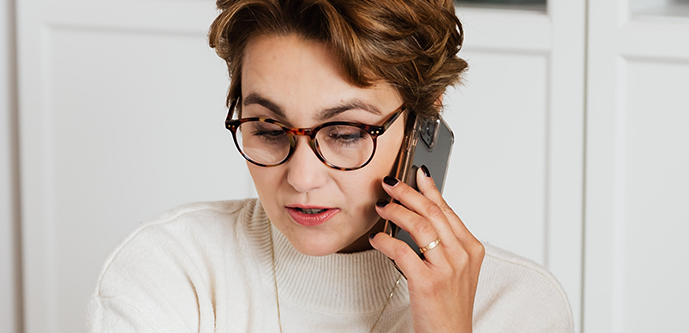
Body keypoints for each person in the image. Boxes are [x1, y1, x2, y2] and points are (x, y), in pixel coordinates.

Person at [87, 0, 573, 331]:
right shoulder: (172, 270)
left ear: (426, 117)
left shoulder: (514, 305)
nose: (300, 178)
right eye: (269, 127)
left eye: (346, 134)